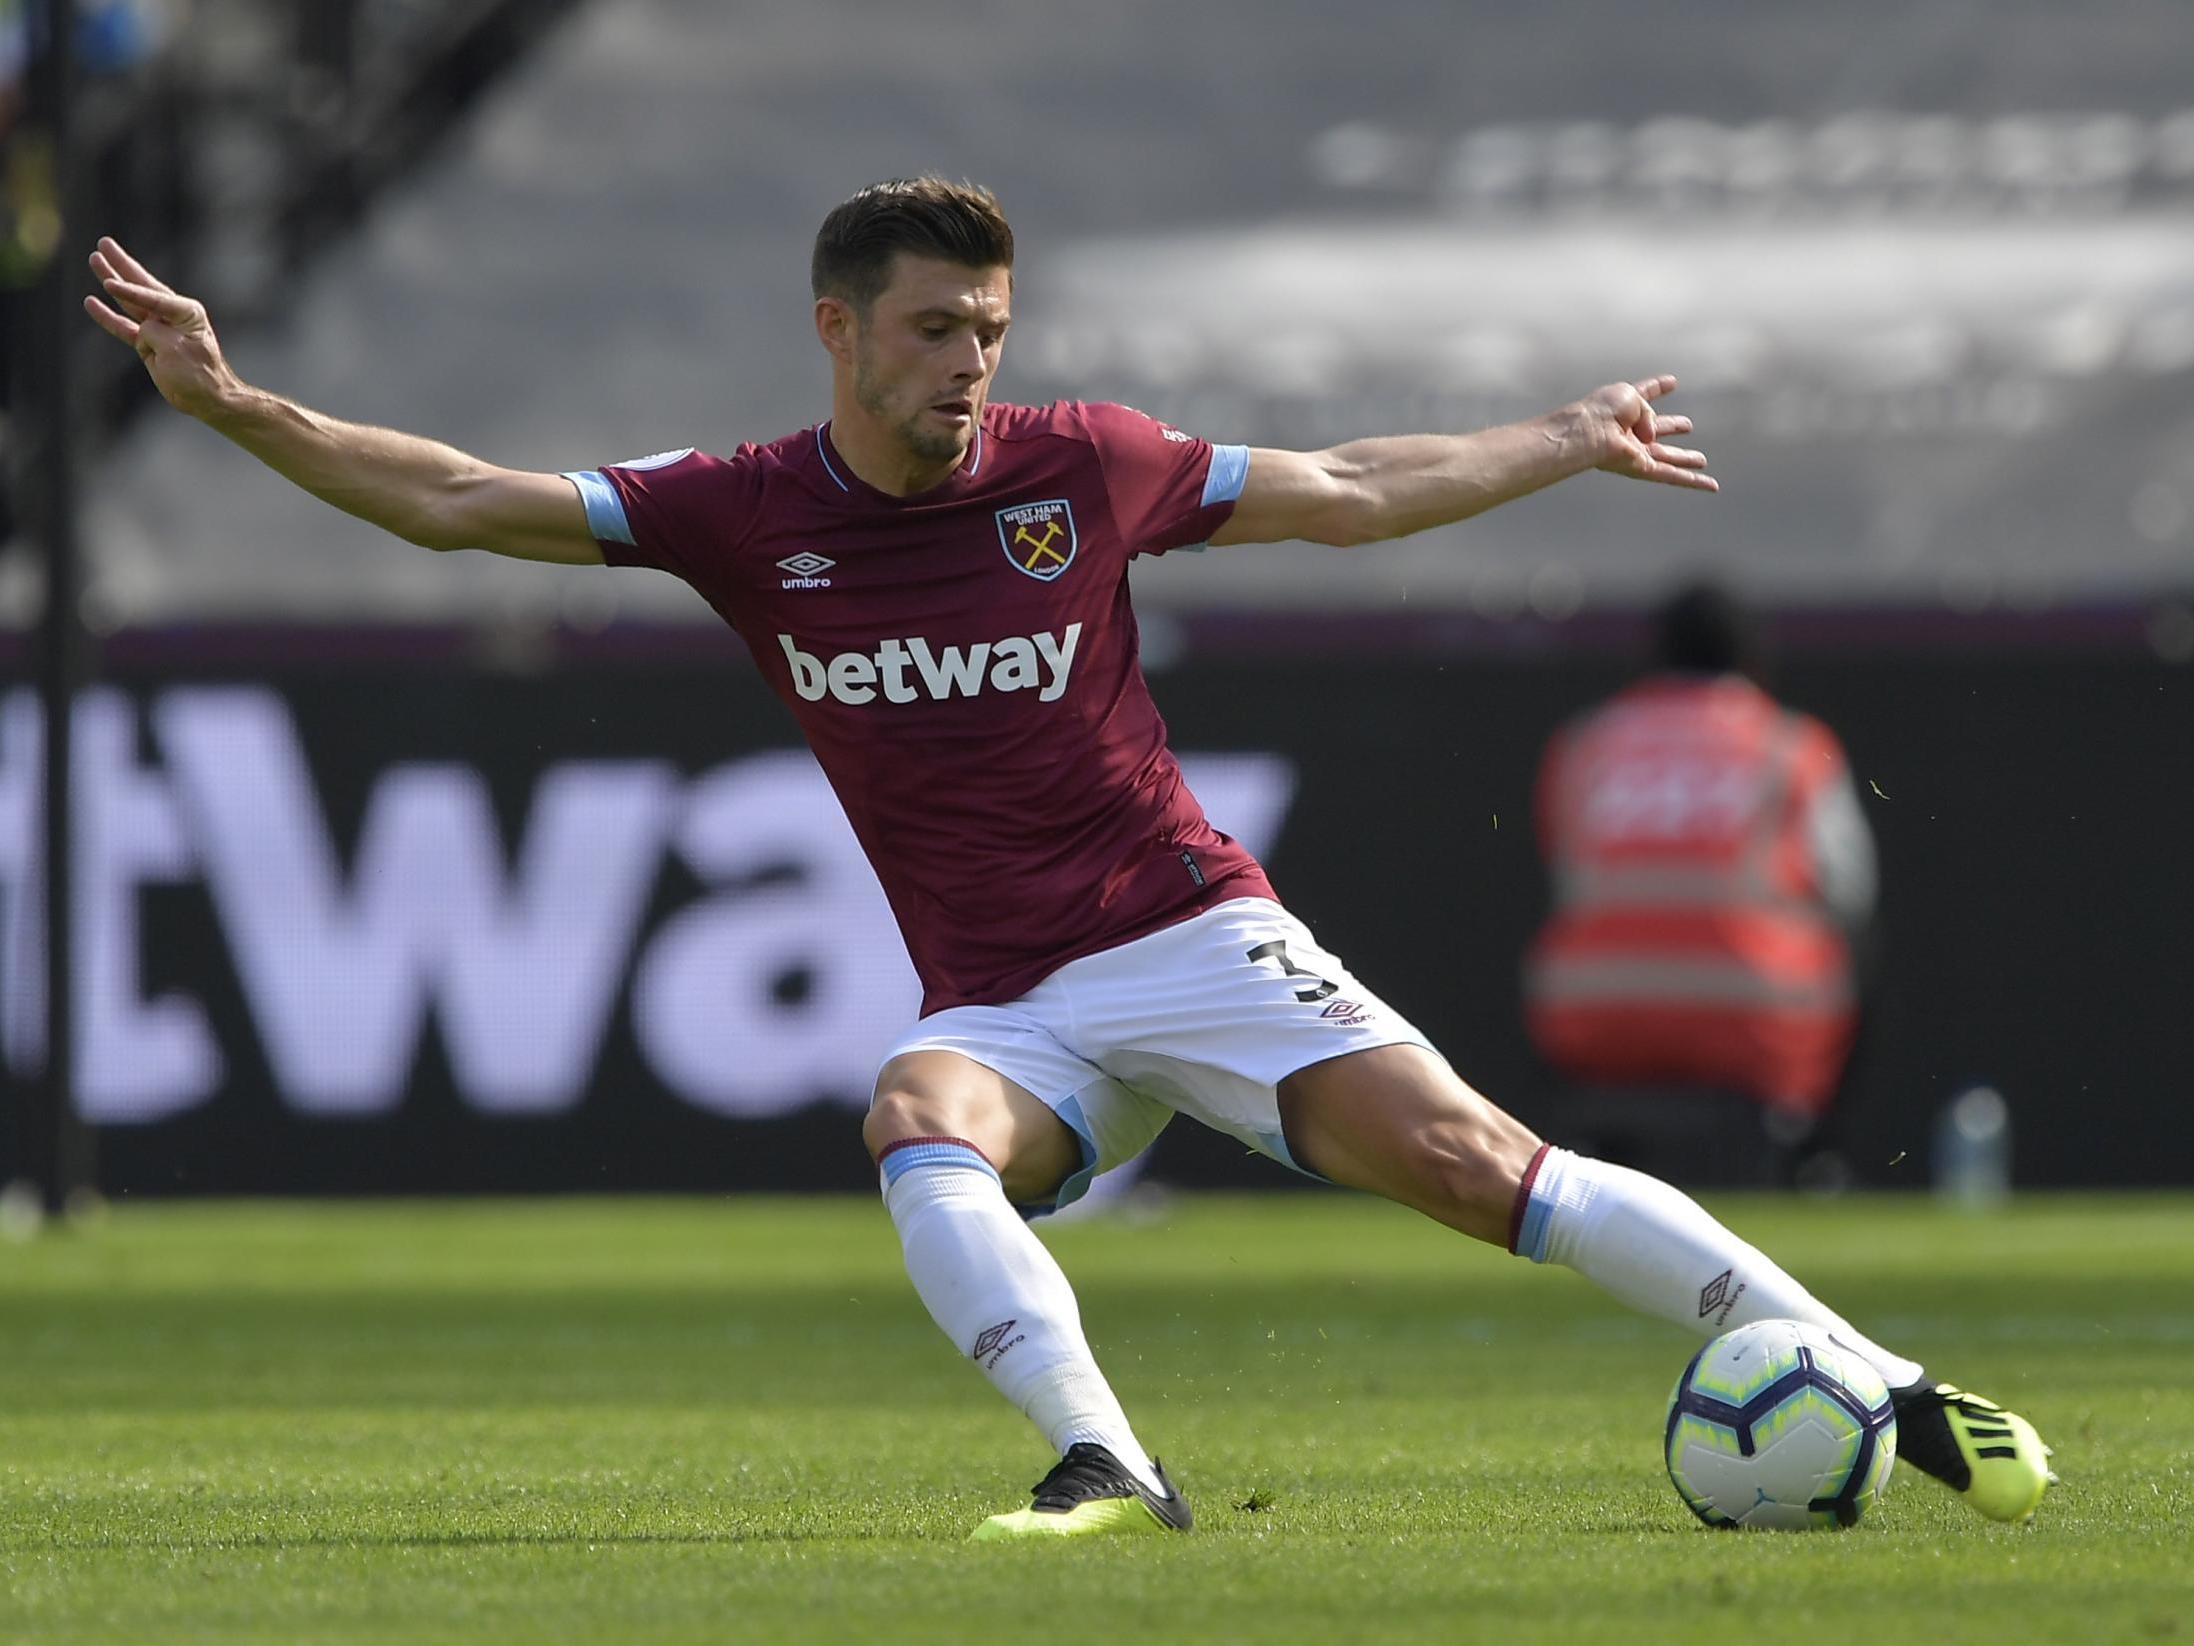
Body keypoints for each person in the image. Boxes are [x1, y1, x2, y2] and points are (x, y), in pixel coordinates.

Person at [83, 178, 2052, 1538]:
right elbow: (449, 498)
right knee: (913, 1118)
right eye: (934, 329)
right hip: (1003, 1001)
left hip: (1188, 932)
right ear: (835, 327)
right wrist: (231, 400)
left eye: (989, 331)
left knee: (1478, 1170)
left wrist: (1557, 433)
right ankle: (1101, 1468)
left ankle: (1868, 1377)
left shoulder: (1078, 465)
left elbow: (1351, 488)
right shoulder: (738, 510)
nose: (968, 364)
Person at [1524, 579, 1877, 1186]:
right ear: (1752, 658)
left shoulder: (1587, 743)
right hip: (1760, 1031)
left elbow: (1566, 876)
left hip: (1599, 1020)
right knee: (1858, 952)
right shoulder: (1790, 745)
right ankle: (1819, 1159)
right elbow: (1852, 892)